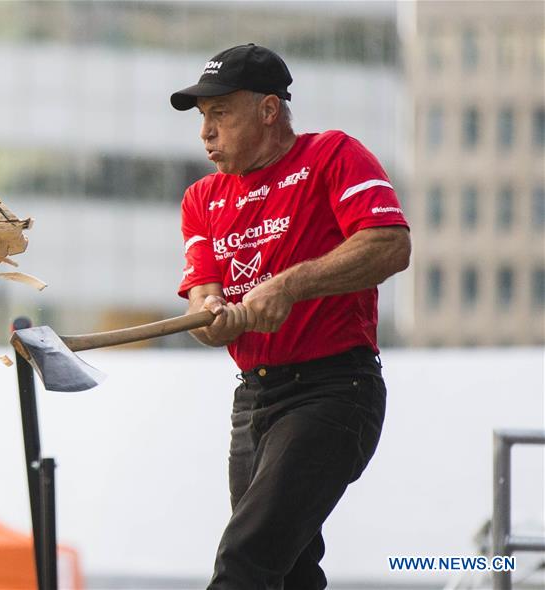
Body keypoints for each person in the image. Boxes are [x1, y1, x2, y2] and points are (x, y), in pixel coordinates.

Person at [170, 44, 411, 589]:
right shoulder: (201, 199)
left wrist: (290, 285)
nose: (206, 132)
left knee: (245, 559)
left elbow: (390, 245)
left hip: (332, 390)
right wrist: (214, 316)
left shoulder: (332, 155)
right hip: (253, 398)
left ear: (269, 110)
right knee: (291, 571)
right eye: (203, 118)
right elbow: (203, 306)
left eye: (220, 113)